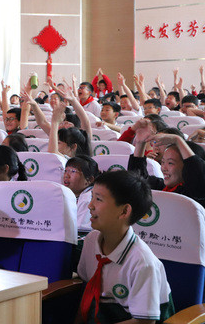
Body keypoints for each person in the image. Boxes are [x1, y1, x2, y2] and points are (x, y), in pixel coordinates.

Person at [78, 171, 173, 323]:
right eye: (91, 197)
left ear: (124, 211)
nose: (90, 205)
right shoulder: (91, 240)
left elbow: (144, 322)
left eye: (98, 199)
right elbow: (87, 287)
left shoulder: (142, 262)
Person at [128, 119, 205, 207]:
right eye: (163, 162)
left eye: (170, 163)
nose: (163, 168)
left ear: (187, 167)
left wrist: (178, 140)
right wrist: (140, 143)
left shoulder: (196, 193)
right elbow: (136, 180)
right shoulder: (161, 187)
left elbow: (198, 175)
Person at [63, 155, 99, 232]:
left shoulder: (88, 198)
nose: (66, 175)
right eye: (66, 171)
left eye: (73, 171)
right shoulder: (68, 195)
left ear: (89, 179)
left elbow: (79, 230)